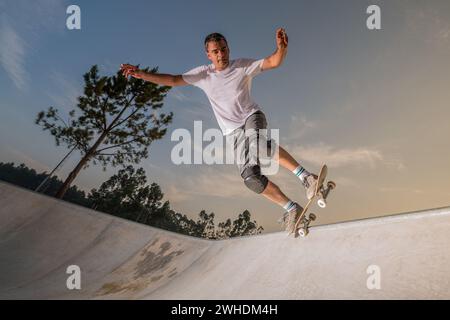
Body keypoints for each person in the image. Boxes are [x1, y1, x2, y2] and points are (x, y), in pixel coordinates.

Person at [121, 28, 318, 234]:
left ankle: (306, 178)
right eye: (216, 51)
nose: (221, 55)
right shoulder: (202, 75)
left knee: (258, 144)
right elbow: (172, 80)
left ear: (228, 48)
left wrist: (281, 49)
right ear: (208, 54)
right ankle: (291, 208)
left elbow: (273, 62)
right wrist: (141, 74)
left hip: (251, 116)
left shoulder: (242, 66)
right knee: (251, 179)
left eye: (223, 49)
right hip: (232, 132)